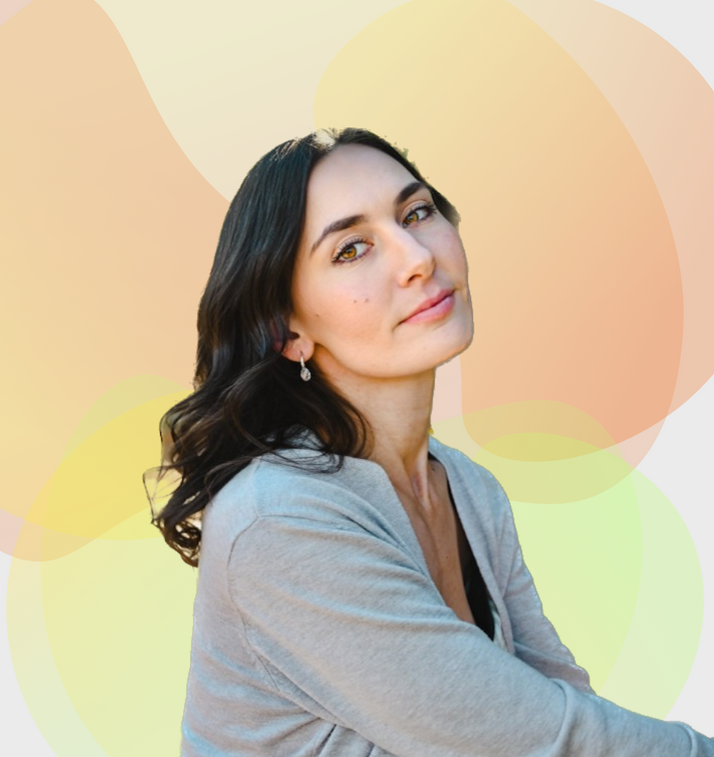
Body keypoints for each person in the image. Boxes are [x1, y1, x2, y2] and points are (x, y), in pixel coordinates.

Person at [146, 127, 713, 756]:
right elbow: (539, 740)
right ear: (288, 333)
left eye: (417, 212)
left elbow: (562, 701)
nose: (417, 255)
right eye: (352, 249)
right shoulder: (280, 520)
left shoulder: (469, 489)